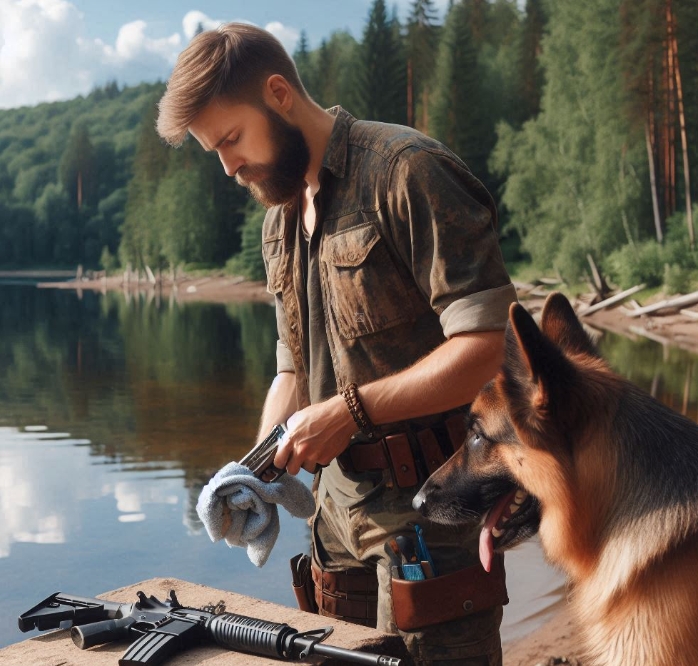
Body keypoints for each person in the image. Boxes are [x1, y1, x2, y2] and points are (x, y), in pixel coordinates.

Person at [157, 22, 518, 666]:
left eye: (232, 139)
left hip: (430, 520)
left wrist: (350, 412)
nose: (229, 167)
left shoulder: (408, 173)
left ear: (278, 94)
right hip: (333, 522)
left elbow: (488, 349)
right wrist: (258, 469)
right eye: (214, 151)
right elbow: (292, 368)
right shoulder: (279, 223)